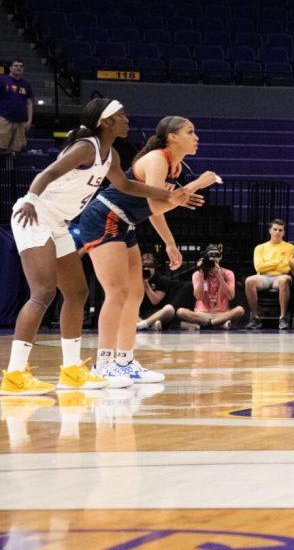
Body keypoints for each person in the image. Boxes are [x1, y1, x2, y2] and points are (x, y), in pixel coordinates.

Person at [4, 99, 200, 396]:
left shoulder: (111, 156)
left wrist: (169, 196)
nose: (126, 120)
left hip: (58, 222)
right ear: (105, 122)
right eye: (121, 116)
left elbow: (127, 186)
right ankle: (15, 375)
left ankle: (71, 371)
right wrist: (31, 199)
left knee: (78, 292)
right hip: (34, 214)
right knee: (43, 292)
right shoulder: (86, 147)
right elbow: (48, 173)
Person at [78, 115, 220, 386]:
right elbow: (157, 205)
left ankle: (125, 361)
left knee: (136, 293)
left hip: (126, 222)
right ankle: (104, 364)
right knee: (117, 292)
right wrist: (196, 185)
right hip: (104, 217)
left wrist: (169, 243)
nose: (196, 137)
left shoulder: (175, 166)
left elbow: (155, 211)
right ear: (172, 137)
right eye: (190, 132)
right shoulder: (157, 159)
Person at [244, 220, 294, 330]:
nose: (277, 232)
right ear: (270, 231)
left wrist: (268, 264)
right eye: (275, 229)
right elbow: (259, 267)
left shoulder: (290, 247)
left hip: (281, 276)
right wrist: (277, 262)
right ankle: (255, 318)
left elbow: (286, 268)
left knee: (284, 280)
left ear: (284, 233)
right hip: (263, 277)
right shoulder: (260, 248)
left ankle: (283, 318)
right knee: (249, 281)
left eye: (280, 230)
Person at [177, 245, 245, 329]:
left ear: (220, 258)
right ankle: (217, 324)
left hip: (222, 313)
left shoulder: (228, 273)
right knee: (180, 312)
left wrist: (219, 276)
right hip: (202, 314)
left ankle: (202, 326)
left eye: (216, 255)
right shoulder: (197, 274)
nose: (214, 258)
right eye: (211, 255)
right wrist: (202, 274)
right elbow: (198, 296)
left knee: (240, 310)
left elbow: (231, 296)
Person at [135, 252, 182, 331]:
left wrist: (146, 284)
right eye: (144, 266)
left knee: (169, 309)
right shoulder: (135, 280)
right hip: (141, 314)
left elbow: (155, 301)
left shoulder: (162, 280)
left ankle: (142, 325)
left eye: (150, 266)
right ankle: (148, 325)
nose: (146, 269)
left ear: (154, 267)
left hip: (158, 313)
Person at [0, 58, 33, 168]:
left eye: (20, 66)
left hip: (20, 121)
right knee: (1, 146)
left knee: (14, 150)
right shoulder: (2, 80)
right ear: (10, 68)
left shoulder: (26, 84)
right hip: (4, 118)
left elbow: (29, 103)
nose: (18, 67)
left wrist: (29, 120)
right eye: (16, 65)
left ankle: (10, 174)